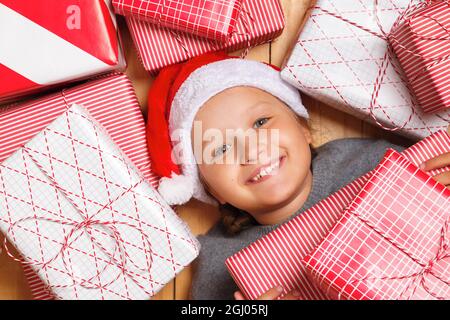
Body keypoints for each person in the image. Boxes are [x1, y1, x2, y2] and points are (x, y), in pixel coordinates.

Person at [146, 52, 450, 300]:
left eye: (261, 121)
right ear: (212, 191)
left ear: (303, 128)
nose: (251, 150)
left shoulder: (372, 161)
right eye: (220, 148)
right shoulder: (220, 266)